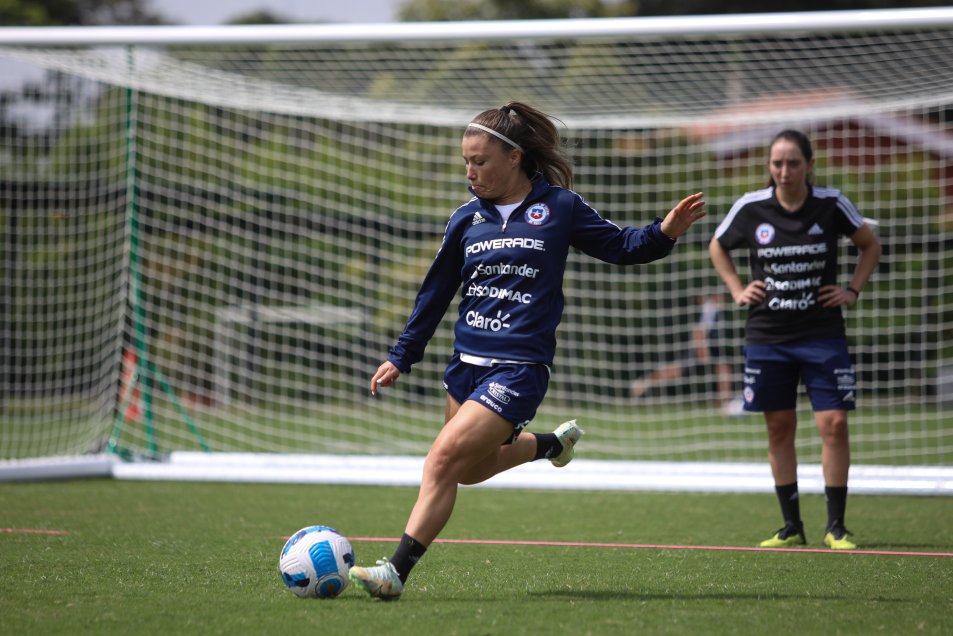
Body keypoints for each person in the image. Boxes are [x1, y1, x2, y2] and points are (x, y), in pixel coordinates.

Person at [348, 102, 707, 600]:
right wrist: (401, 355)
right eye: (466, 162)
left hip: (519, 370)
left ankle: (394, 573)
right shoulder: (465, 219)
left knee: (442, 460)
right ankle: (551, 445)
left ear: (514, 157)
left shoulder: (559, 207)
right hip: (465, 368)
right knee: (469, 471)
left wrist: (664, 232)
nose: (470, 171)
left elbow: (622, 246)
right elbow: (435, 294)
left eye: (480, 161)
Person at [708, 129, 881, 550]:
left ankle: (836, 526)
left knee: (834, 424)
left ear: (809, 165)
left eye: (793, 163)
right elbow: (718, 245)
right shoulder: (751, 207)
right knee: (779, 427)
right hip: (768, 336)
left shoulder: (831, 204)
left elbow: (869, 245)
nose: (784, 171)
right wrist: (737, 289)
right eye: (777, 163)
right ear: (769, 166)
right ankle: (791, 526)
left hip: (822, 333)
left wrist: (852, 290)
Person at [629, 292, 741, 415]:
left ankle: (725, 405)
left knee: (725, 371)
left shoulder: (715, 309)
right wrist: (702, 350)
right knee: (677, 371)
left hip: (711, 348)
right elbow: (698, 331)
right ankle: (645, 382)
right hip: (699, 348)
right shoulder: (711, 308)